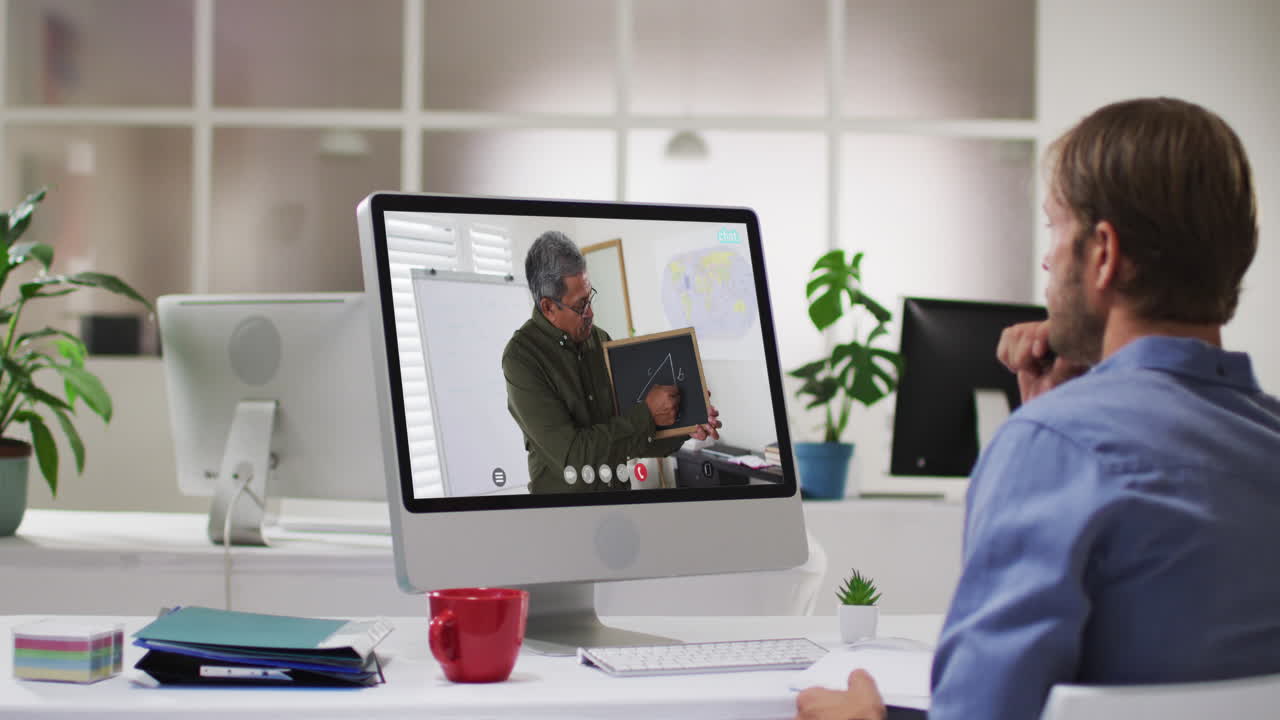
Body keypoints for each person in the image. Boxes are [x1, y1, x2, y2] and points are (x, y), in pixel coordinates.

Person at [796, 97, 1280, 720]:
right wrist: (1052, 419)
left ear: (1103, 253)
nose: (1048, 260)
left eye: (1056, 229)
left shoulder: (1053, 446)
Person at [503, 230, 722, 494]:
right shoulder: (521, 359)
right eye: (580, 305)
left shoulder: (600, 340)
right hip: (565, 519)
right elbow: (575, 456)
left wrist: (686, 425)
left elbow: (631, 439)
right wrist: (648, 413)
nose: (591, 313)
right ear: (549, 307)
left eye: (590, 296)